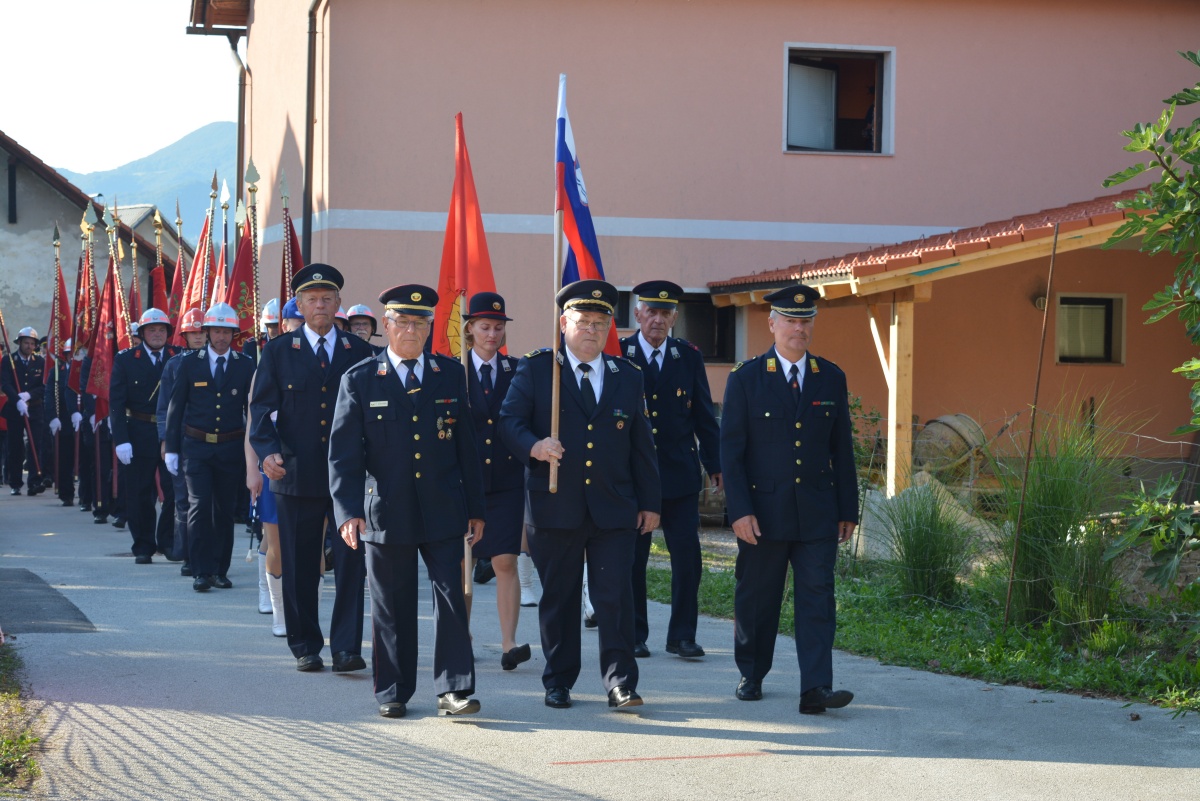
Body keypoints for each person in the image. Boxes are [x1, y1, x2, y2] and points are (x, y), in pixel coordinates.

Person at [499, 279, 661, 711]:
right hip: (555, 504)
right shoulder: (537, 369)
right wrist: (534, 446)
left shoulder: (626, 376)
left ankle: (620, 682)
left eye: (600, 320)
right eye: (583, 320)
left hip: (614, 508)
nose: (591, 328)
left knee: (615, 598)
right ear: (564, 322)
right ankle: (558, 680)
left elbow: (641, 445)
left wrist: (650, 503)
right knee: (560, 599)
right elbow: (509, 422)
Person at [330, 283, 485, 718]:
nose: (412, 330)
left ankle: (455, 688)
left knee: (452, 598)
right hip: (385, 511)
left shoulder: (450, 374)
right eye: (403, 322)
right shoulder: (359, 379)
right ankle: (394, 690)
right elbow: (343, 455)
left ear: (431, 327)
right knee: (391, 605)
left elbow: (465, 449)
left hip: (443, 509)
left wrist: (477, 509)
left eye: (421, 322)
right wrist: (348, 512)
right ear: (387, 325)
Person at [720, 284, 858, 715]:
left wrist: (847, 509)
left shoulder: (830, 377)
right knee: (758, 598)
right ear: (773, 324)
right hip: (763, 513)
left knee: (817, 598)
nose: (799, 328)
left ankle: (815, 688)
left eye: (806, 320)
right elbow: (732, 453)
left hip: (817, 512)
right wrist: (739, 511)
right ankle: (752, 673)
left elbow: (842, 450)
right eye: (791, 320)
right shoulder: (746, 379)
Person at [249, 265, 373, 672]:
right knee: (301, 565)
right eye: (311, 299)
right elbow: (262, 409)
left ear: (338, 304)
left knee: (351, 564)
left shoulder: (361, 352)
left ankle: (346, 648)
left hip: (348, 478)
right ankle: (304, 644)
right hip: (296, 473)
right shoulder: (279, 351)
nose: (320, 306)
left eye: (327, 298)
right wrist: (267, 453)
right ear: (299, 306)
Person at [620, 281, 721, 660]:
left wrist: (715, 464)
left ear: (675, 317)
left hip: (678, 475)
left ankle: (682, 635)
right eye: (651, 311)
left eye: (665, 313)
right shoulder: (620, 353)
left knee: (687, 557)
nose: (658, 319)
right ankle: (634, 633)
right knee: (633, 559)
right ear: (638, 314)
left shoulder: (687, 356)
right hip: (634, 476)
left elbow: (703, 416)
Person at [461, 291, 530, 670]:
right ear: (469, 329)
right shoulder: (453, 371)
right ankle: (463, 634)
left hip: (505, 480)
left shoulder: (517, 370)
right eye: (485, 326)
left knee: (505, 560)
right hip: (464, 482)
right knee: (463, 562)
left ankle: (508, 642)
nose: (492, 334)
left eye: (498, 327)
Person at [164, 303, 256, 592]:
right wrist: (171, 448)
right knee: (199, 507)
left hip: (230, 448)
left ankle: (220, 570)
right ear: (206, 332)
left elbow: (251, 409)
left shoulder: (245, 365)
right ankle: (200, 570)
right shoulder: (189, 363)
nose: (221, 337)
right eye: (216, 330)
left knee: (224, 511)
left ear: (234, 335)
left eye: (226, 332)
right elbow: (175, 407)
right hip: (196, 448)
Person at [109, 309, 178, 563]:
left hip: (169, 433)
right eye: (152, 330)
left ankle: (168, 542)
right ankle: (143, 545)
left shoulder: (178, 356)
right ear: (142, 334)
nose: (157, 334)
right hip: (138, 431)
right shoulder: (126, 359)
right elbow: (116, 402)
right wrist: (121, 439)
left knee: (173, 491)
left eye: (162, 330)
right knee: (139, 492)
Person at [158, 308, 209, 573]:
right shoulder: (174, 364)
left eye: (202, 332)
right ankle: (186, 553)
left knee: (206, 502)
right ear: (185, 336)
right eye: (193, 333)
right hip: (181, 440)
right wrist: (166, 441)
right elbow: (165, 407)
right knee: (183, 500)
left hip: (207, 439)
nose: (198, 337)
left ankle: (205, 556)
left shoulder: (215, 360)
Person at [1, 327, 47, 496]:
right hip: (15, 409)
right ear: (19, 343)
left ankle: (34, 482)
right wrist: (17, 399)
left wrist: (28, 395)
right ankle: (15, 482)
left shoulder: (40, 362)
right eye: (26, 343)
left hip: (34, 409)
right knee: (15, 446)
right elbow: (5, 383)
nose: (29, 346)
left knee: (35, 444)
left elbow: (42, 386)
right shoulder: (9, 360)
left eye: (32, 343)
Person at [45, 338, 83, 507]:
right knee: (65, 459)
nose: (72, 358)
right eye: (69, 355)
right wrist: (52, 417)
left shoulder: (86, 370)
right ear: (65, 356)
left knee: (85, 459)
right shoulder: (56, 372)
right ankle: (66, 494)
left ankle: (86, 497)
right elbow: (49, 396)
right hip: (64, 421)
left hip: (83, 420)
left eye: (75, 354)